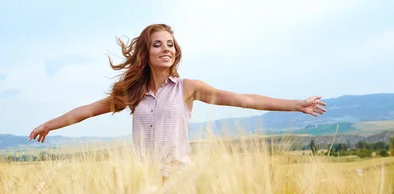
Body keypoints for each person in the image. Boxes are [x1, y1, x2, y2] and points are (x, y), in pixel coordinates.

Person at [28, 23, 327, 177]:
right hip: (145, 184)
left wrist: (296, 104)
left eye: (170, 44)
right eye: (157, 44)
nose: (166, 49)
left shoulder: (188, 88)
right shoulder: (133, 93)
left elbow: (243, 99)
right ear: (145, 54)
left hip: (180, 181)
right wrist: (49, 124)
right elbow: (88, 110)